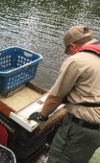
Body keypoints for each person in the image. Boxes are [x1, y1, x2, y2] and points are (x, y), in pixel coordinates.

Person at [28, 26, 100, 163]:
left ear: (72, 46)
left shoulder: (77, 60)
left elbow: (54, 98)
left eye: (67, 51)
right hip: (96, 131)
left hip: (81, 128)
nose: (69, 55)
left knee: (59, 159)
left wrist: (41, 116)